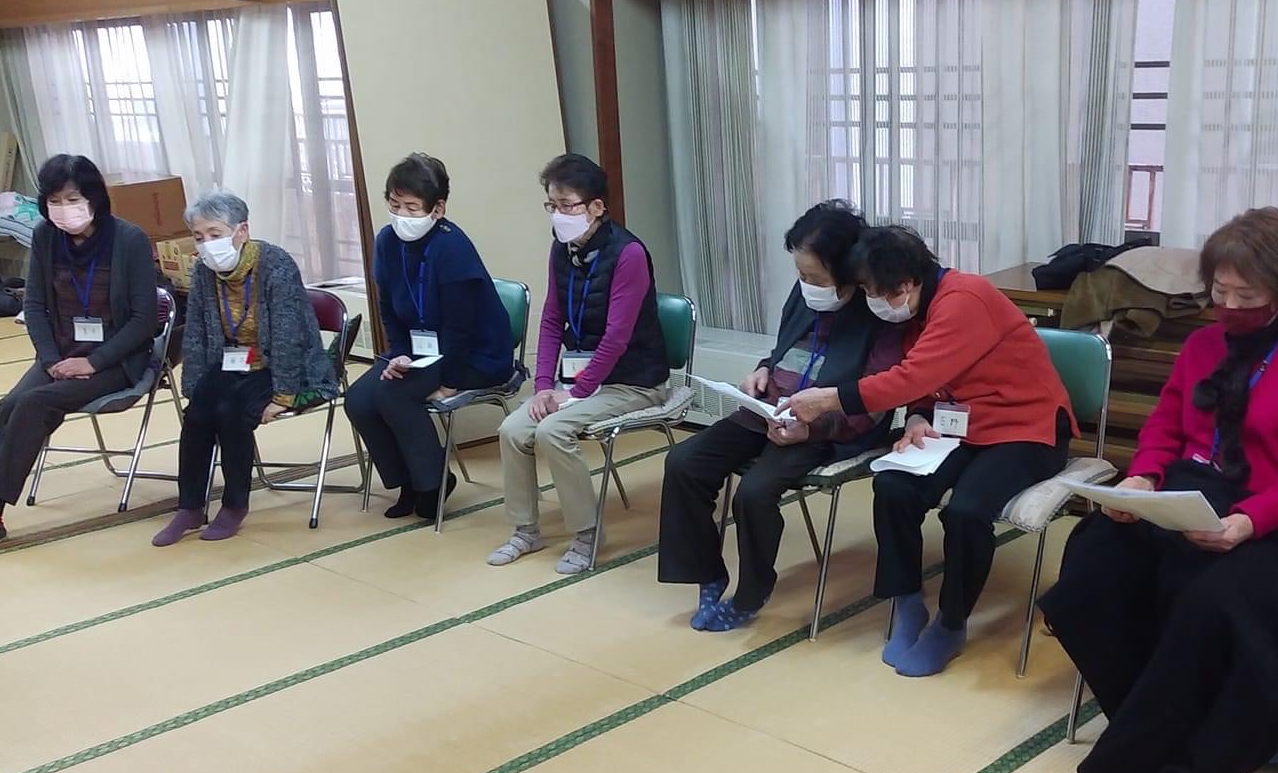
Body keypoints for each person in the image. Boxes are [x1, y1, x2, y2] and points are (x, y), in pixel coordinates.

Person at [1036, 207, 1278, 773]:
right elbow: (1166, 426)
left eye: (1247, 295)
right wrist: (1141, 479)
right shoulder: (1202, 344)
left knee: (1212, 603)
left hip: (1272, 518)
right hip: (1186, 497)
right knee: (1090, 572)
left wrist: (1247, 522)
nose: (1229, 306)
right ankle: (1146, 717)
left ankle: (1174, 754)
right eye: (1220, 291)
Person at [783, 226, 1074, 677]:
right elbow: (921, 378)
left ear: (907, 283)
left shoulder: (964, 299)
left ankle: (951, 623)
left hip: (1028, 429)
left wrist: (829, 398)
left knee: (967, 512)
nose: (871, 300)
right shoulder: (914, 307)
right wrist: (918, 415)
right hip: (959, 426)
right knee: (893, 486)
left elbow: (914, 375)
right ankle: (907, 600)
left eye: (875, 292)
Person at [656, 201, 902, 630]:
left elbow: (876, 401)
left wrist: (813, 426)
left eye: (815, 278)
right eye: (801, 275)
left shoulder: (878, 311)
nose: (806, 285)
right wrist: (763, 369)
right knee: (684, 463)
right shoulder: (806, 294)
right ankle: (707, 571)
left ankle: (751, 593)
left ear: (848, 273)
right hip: (769, 408)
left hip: (830, 427)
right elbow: (786, 349)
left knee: (753, 493)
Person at [0, 154, 159, 553]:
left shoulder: (128, 239)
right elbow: (33, 306)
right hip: (60, 354)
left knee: (34, 403)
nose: (64, 209)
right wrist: (50, 360)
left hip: (115, 360)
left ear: (95, 197)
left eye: (73, 199)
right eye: (55, 200)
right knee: (11, 403)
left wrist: (93, 361)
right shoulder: (47, 236)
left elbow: (143, 320)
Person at [488, 154, 667, 573]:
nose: (558, 214)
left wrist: (574, 394)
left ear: (596, 207)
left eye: (567, 205)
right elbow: (552, 319)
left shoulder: (629, 253)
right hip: (582, 380)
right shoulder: (562, 248)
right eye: (551, 205)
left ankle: (587, 534)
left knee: (553, 430)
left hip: (634, 381)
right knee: (513, 429)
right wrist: (544, 386)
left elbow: (617, 337)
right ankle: (526, 530)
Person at [151, 190, 337, 547]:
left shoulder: (275, 264)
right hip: (233, 360)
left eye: (215, 234)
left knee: (232, 413)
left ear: (242, 231)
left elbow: (288, 334)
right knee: (198, 415)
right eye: (199, 237)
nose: (207, 244)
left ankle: (235, 505)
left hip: (282, 365)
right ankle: (190, 507)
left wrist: (284, 395)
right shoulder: (204, 270)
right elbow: (197, 331)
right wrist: (195, 386)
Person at [344, 154, 516, 520]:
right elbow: (388, 307)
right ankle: (408, 481)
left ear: (437, 209)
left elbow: (460, 326)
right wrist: (399, 354)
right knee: (359, 399)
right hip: (420, 352)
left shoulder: (452, 247)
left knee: (393, 395)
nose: (401, 215)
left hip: (471, 355)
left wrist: (450, 382)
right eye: (395, 205)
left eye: (411, 207)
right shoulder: (387, 242)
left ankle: (434, 482)